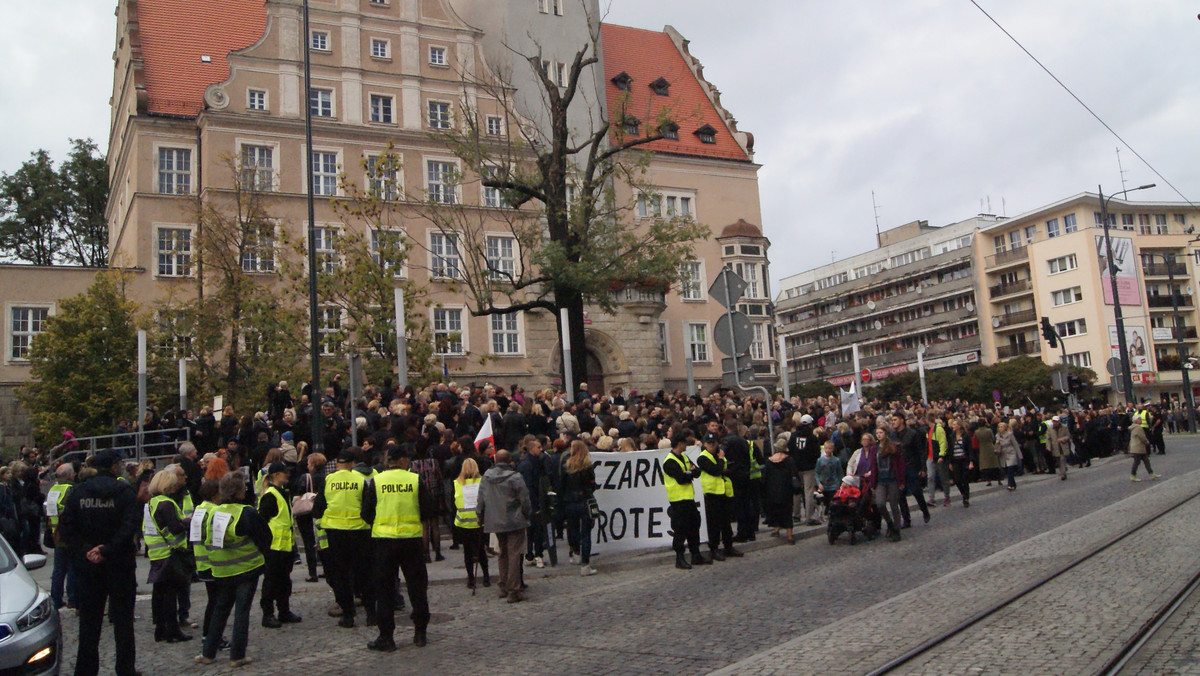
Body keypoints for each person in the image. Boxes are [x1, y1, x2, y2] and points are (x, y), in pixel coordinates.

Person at [58, 450, 141, 676]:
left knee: (89, 623)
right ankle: (125, 669)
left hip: (88, 566)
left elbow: (66, 529)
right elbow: (129, 526)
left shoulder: (77, 492)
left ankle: (85, 671)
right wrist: (107, 549)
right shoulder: (123, 491)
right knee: (123, 622)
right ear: (114, 467)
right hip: (119, 563)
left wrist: (87, 551)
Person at [361, 443, 432, 651]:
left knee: (384, 590)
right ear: (401, 461)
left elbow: (366, 513)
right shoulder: (415, 480)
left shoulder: (377, 481)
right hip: (411, 540)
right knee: (417, 588)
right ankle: (420, 633)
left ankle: (386, 637)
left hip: (384, 541)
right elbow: (427, 510)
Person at [195, 472, 270, 668]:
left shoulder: (212, 512)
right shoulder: (246, 512)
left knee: (220, 610)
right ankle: (237, 656)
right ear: (239, 492)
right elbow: (264, 537)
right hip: (246, 568)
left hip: (220, 570)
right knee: (241, 612)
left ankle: (208, 653)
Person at [313, 450, 374, 628]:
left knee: (341, 576)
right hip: (359, 532)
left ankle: (348, 615)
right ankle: (371, 614)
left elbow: (318, 509)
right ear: (352, 464)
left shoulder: (329, 480)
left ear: (337, 465)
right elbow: (368, 506)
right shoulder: (359, 480)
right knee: (364, 574)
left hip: (335, 534)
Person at [477, 449, 531, 603]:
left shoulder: (487, 477)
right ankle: (513, 590)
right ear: (509, 461)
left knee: (503, 553)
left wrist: (479, 516)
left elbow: (481, 498)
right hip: (514, 519)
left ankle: (503, 585)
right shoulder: (515, 477)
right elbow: (525, 499)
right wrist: (527, 514)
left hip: (495, 519)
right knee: (514, 554)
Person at [145, 468, 193, 643]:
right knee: (170, 594)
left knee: (160, 592)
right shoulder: (166, 503)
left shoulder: (152, 502)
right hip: (170, 553)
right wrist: (187, 522)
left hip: (158, 552)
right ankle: (172, 629)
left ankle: (161, 628)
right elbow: (175, 528)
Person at [256, 462, 301, 628]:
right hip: (274, 547)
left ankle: (284, 611)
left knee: (284, 582)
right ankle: (268, 614)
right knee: (271, 582)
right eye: (284, 473)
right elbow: (263, 522)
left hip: (284, 547)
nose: (287, 475)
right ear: (276, 475)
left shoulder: (282, 493)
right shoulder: (271, 495)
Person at [661, 434, 707, 569]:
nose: (686, 445)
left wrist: (689, 473)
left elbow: (697, 472)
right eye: (685, 443)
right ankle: (679, 558)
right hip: (678, 501)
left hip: (689, 499)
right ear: (679, 443)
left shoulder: (685, 458)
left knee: (694, 526)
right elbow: (681, 479)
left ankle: (695, 555)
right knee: (680, 530)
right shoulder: (669, 461)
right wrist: (689, 473)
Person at [697, 433, 741, 561]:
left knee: (726, 523)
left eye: (713, 443)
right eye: (709, 443)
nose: (712, 445)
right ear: (705, 444)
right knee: (714, 524)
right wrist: (721, 461)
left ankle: (728, 547)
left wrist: (721, 466)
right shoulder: (702, 458)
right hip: (712, 494)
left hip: (724, 492)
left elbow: (727, 470)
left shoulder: (718, 454)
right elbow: (716, 470)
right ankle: (714, 549)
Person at [559, 440, 598, 576]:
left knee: (572, 528)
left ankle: (576, 553)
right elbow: (592, 484)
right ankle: (585, 564)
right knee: (586, 533)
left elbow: (561, 485)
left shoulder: (566, 466)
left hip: (570, 501)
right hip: (584, 501)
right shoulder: (587, 466)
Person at [44, 463, 78, 610]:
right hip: (68, 534)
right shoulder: (70, 489)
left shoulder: (53, 489)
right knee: (72, 568)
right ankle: (72, 598)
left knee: (58, 570)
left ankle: (56, 598)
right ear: (70, 475)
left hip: (55, 534)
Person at [453, 458, 489, 589]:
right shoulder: (482, 482)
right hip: (479, 521)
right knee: (481, 551)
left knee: (467, 552)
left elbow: (454, 503)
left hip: (463, 522)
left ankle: (471, 579)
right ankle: (486, 577)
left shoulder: (457, 483)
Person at [890, 414, 929, 527]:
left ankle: (924, 510)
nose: (893, 422)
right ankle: (906, 519)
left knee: (916, 490)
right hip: (898, 468)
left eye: (895, 419)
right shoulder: (892, 435)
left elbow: (920, 451)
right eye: (892, 420)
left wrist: (923, 468)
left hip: (911, 466)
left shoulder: (912, 434)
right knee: (901, 495)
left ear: (902, 420)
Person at [761, 439, 797, 543]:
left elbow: (765, 478)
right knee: (787, 512)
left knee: (775, 511)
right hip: (786, 490)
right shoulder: (789, 460)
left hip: (772, 491)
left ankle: (776, 530)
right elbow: (794, 475)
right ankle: (789, 536)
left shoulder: (769, 461)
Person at [874, 435, 905, 542]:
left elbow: (900, 464)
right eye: (877, 432)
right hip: (880, 480)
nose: (878, 435)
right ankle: (889, 523)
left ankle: (896, 530)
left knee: (894, 505)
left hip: (892, 479)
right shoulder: (875, 448)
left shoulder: (893, 447)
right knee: (880, 503)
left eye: (881, 432)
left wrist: (901, 480)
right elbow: (874, 465)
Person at [944, 418, 975, 507]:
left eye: (954, 424)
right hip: (955, 460)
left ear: (959, 426)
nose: (953, 426)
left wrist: (971, 461)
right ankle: (963, 493)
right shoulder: (951, 436)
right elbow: (949, 450)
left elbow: (969, 449)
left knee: (965, 479)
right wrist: (949, 462)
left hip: (964, 459)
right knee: (957, 479)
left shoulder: (965, 436)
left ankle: (966, 498)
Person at [996, 421, 1021, 491]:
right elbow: (996, 448)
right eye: (999, 427)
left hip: (1010, 453)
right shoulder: (997, 436)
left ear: (1005, 428)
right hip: (1003, 454)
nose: (1000, 428)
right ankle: (1013, 483)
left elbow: (1015, 444)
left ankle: (1010, 484)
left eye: (1001, 427)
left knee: (1010, 469)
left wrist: (1019, 455)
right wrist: (997, 443)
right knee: (1006, 470)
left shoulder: (1010, 435)